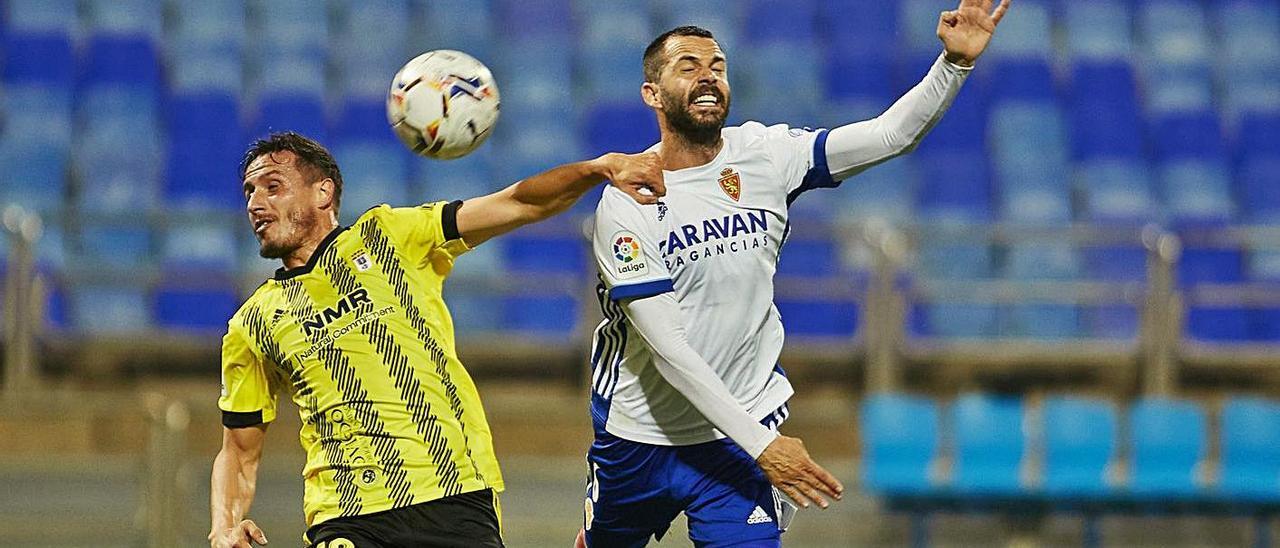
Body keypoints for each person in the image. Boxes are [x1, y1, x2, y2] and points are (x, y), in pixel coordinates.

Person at [579, 1, 1012, 546]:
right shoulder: (626, 202)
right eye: (687, 66)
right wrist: (765, 448)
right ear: (652, 93)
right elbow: (668, 348)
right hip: (639, 436)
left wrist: (953, 65)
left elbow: (887, 137)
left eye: (717, 65)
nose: (707, 76)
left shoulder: (765, 154)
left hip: (738, 434)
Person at [208, 131, 664, 548]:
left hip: (454, 495)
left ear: (323, 192)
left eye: (272, 186)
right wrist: (225, 525)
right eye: (249, 191)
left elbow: (519, 203)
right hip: (345, 516)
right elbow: (239, 451)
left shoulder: (387, 237)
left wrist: (597, 168)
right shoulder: (253, 323)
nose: (254, 203)